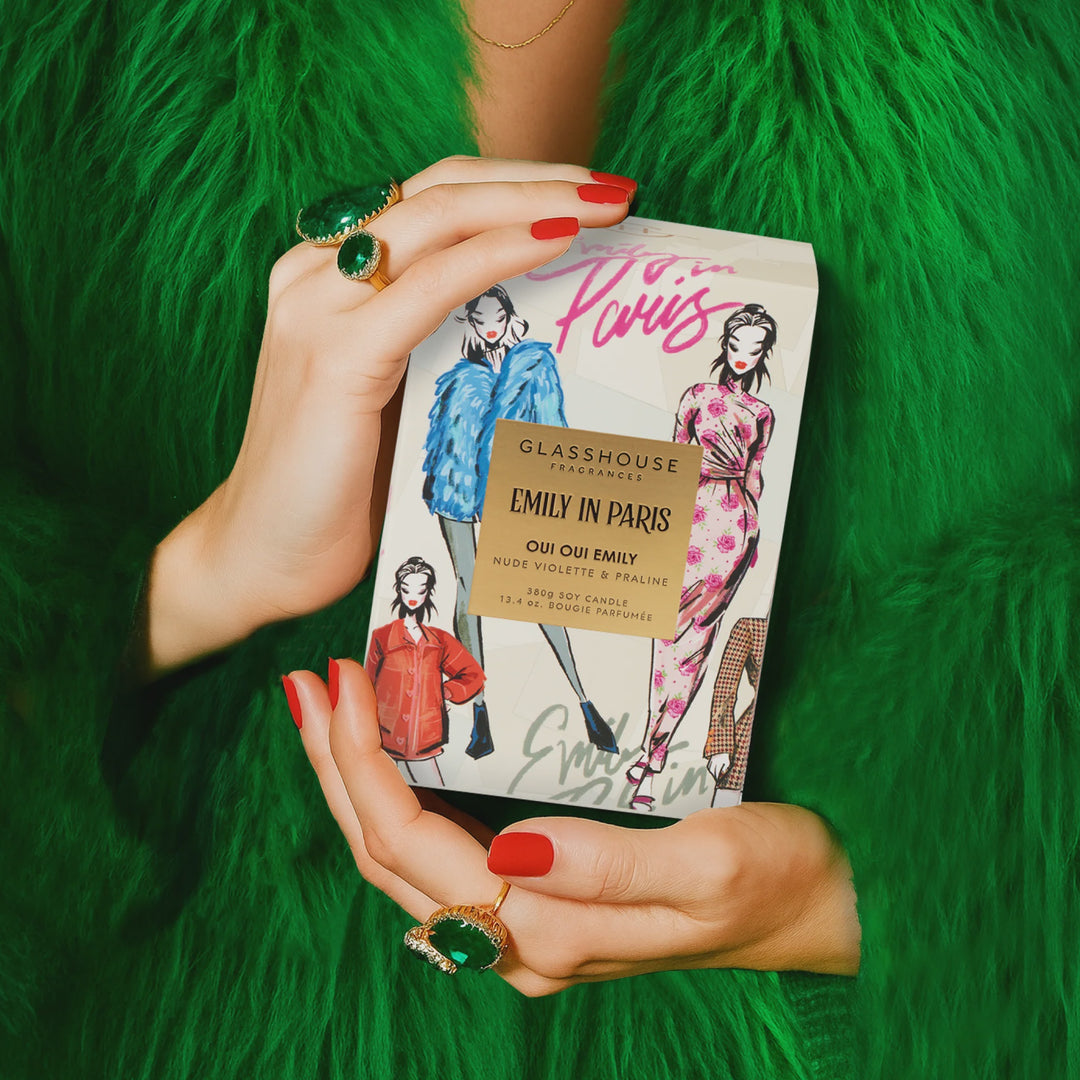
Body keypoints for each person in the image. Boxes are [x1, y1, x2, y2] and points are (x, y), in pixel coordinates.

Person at [1, 3, 1076, 1080]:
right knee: (479, 612)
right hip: (206, 1021)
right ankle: (509, 707)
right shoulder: (54, 48)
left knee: (577, 629)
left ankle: (591, 706)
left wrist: (871, 907)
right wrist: (206, 577)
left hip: (830, 1033)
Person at [421, 283, 619, 757]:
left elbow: (553, 431)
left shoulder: (533, 366)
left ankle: (584, 701)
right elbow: (444, 439)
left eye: (498, 317)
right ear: (469, 324)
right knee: (468, 591)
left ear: (511, 318)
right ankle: (479, 712)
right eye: (480, 319)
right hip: (456, 486)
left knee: (535, 589)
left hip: (512, 488)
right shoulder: (460, 378)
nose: (490, 328)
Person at [628, 303, 776, 810]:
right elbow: (674, 458)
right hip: (688, 517)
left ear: (763, 354)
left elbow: (755, 476)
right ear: (725, 345)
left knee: (696, 642)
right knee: (665, 636)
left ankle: (653, 757)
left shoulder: (762, 413)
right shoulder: (697, 396)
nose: (742, 357)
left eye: (754, 350)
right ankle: (652, 748)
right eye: (736, 346)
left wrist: (753, 535)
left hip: (734, 528)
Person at [365, 556, 485, 784]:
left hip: (423, 738)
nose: (412, 596)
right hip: (383, 735)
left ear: (427, 592)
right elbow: (365, 683)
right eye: (406, 589)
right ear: (398, 590)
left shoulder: (439, 640)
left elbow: (473, 675)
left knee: (432, 788)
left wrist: (445, 692)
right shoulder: (382, 637)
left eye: (420, 590)